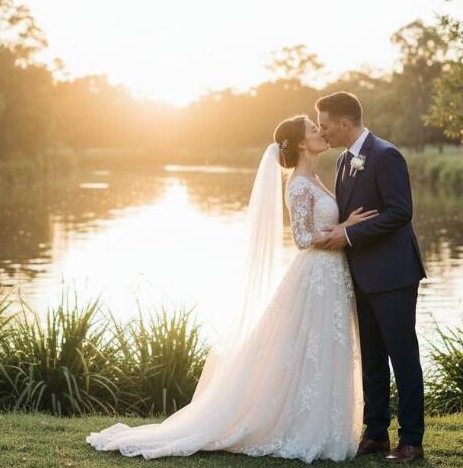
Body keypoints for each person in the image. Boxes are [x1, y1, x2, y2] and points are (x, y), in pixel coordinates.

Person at [86, 115, 376, 462]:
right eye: (314, 130)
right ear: (300, 143)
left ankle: (323, 424)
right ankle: (295, 425)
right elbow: (301, 239)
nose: (321, 132)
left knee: (324, 347)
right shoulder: (298, 184)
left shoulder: (314, 177)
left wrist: (344, 229)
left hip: (331, 275)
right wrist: (345, 227)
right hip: (315, 275)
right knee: (310, 347)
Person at [314, 91, 426, 463]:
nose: (322, 131)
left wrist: (346, 236)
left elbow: (400, 212)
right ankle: (375, 433)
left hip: (393, 274)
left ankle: (411, 439)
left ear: (345, 123)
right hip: (360, 274)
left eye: (326, 125)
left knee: (403, 356)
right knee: (372, 359)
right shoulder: (344, 161)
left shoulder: (386, 155)